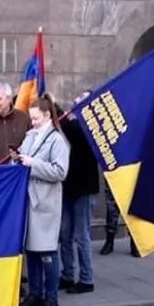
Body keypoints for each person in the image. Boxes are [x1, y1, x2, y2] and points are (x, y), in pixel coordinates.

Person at [16, 94, 70, 306]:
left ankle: (51, 297)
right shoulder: (30, 135)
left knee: (47, 251)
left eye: (36, 118)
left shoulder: (57, 140)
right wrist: (17, 158)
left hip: (46, 202)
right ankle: (35, 294)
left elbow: (60, 171)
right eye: (32, 118)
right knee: (32, 251)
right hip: (29, 200)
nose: (33, 122)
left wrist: (32, 164)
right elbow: (22, 156)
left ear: (48, 115)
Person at [59, 90, 100, 295]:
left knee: (81, 234)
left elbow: (73, 132)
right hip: (69, 186)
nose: (76, 102)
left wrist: (55, 109)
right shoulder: (73, 123)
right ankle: (67, 274)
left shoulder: (92, 127)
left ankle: (86, 279)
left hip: (85, 188)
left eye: (81, 100)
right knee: (64, 233)